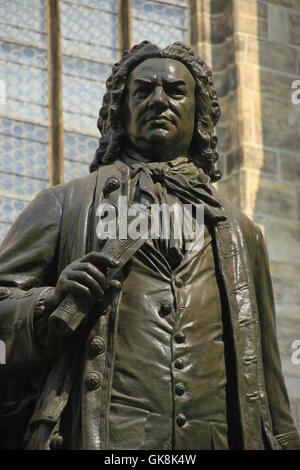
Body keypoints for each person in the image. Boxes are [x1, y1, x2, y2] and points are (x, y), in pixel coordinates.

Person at [0, 41, 299, 450]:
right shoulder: (64, 205)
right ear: (121, 110)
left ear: (200, 112)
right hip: (103, 438)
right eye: (143, 91)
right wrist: (48, 303)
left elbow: (269, 381)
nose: (159, 101)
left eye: (175, 92)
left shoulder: (242, 233)